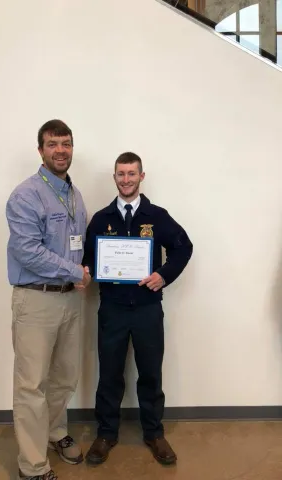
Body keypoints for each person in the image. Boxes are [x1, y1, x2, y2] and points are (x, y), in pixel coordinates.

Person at [82, 152, 193, 466]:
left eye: (132, 174)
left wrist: (164, 275)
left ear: (141, 176)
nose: (126, 179)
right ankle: (106, 434)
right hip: (113, 310)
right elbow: (88, 258)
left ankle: (154, 434)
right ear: (114, 177)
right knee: (109, 375)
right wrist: (86, 271)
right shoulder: (102, 218)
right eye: (121, 174)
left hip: (147, 310)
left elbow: (184, 247)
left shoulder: (156, 216)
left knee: (150, 374)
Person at [6, 119, 91, 480]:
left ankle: (55, 433)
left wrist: (87, 268)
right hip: (36, 302)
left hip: (71, 301)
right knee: (31, 385)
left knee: (65, 377)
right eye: (53, 144)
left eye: (66, 143)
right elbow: (27, 251)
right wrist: (76, 272)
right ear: (40, 150)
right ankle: (32, 465)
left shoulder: (74, 193)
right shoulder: (25, 195)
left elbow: (78, 245)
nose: (61, 150)